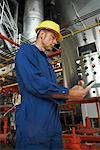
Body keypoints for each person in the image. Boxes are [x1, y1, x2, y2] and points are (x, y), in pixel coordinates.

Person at [15, 20, 91, 150]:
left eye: (56, 39)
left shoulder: (47, 62)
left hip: (53, 126)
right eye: (53, 37)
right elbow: (35, 83)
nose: (55, 42)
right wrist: (69, 93)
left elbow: (51, 90)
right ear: (42, 34)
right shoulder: (26, 51)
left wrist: (72, 89)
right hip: (34, 124)